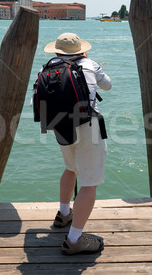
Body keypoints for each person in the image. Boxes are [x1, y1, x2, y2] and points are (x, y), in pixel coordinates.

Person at [43, 32, 112, 255]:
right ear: (81, 49)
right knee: (89, 183)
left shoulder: (47, 67)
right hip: (87, 125)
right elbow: (108, 85)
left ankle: (64, 214)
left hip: (59, 125)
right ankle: (74, 240)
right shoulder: (90, 64)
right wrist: (89, 62)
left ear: (56, 50)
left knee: (70, 168)